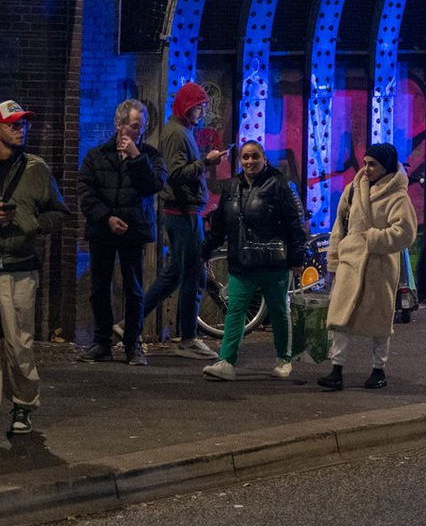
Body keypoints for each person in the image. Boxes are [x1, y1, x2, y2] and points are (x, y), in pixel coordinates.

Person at [199, 141, 306, 381]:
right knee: (235, 311)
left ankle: (284, 359)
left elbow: (294, 225)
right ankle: (226, 361)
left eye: (255, 157)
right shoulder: (231, 187)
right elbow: (219, 226)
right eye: (245, 157)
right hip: (242, 263)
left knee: (279, 311)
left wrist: (297, 258)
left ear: (264, 159)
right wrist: (205, 252)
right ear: (240, 162)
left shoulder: (280, 185)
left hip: (272, 263)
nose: (250, 161)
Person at [318, 143, 417, 391]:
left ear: (386, 166)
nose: (366, 168)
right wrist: (334, 259)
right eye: (365, 163)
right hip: (350, 263)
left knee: (380, 323)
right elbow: (339, 225)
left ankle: (378, 369)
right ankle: (336, 369)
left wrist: (372, 238)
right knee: (339, 318)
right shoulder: (353, 190)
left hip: (379, 266)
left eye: (372, 164)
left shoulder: (398, 197)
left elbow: (405, 233)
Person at [77, 99, 167, 366]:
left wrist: (137, 158)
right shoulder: (96, 156)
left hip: (134, 230)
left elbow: (153, 186)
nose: (139, 132)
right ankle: (101, 342)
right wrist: (106, 218)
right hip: (103, 230)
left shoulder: (150, 156)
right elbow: (86, 193)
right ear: (119, 124)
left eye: (143, 127)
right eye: (135, 126)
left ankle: (133, 344)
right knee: (99, 287)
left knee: (134, 288)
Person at [0, 99, 69, 436]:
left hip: (19, 267)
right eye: (12, 123)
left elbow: (59, 213)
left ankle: (23, 406)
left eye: (23, 123)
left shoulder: (36, 168)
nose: (20, 128)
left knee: (19, 344)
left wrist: (31, 224)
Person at [143, 82, 224, 359]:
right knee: (193, 275)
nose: (203, 111)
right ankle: (188, 338)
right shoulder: (177, 134)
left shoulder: (181, 131)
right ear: (187, 107)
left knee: (176, 274)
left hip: (185, 212)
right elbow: (175, 174)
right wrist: (207, 162)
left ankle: (131, 321)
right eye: (199, 106)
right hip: (183, 214)